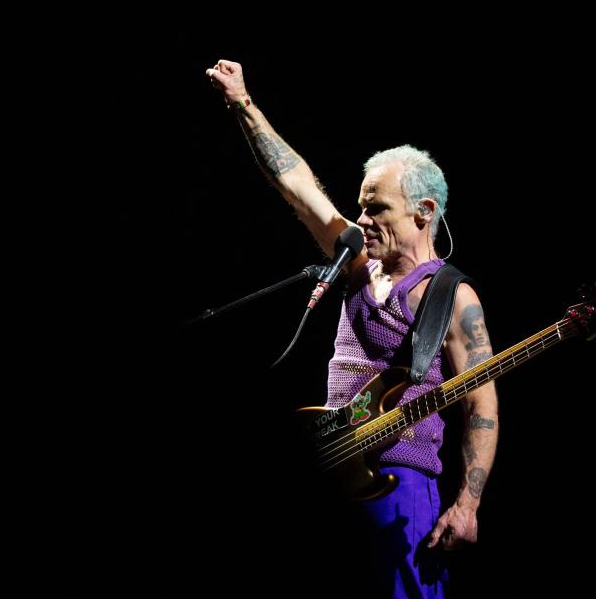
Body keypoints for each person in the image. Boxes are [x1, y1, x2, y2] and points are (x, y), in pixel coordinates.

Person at [206, 59, 499, 597]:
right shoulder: (358, 262)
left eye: (375, 209)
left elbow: (482, 406)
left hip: (399, 486)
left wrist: (468, 503)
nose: (361, 221)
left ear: (423, 212)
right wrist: (244, 105)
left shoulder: (454, 298)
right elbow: (296, 184)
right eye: (361, 208)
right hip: (331, 473)